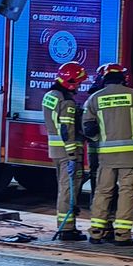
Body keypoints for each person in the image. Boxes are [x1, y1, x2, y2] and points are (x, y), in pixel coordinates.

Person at [82, 62, 133, 246]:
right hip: (130, 157)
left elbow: (88, 129)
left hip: (106, 157)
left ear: (104, 79)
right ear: (124, 78)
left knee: (102, 192)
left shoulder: (94, 99)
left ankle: (97, 232)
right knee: (126, 194)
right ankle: (122, 235)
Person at [43, 63, 88, 241]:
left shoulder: (50, 95)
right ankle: (67, 229)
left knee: (63, 188)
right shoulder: (67, 101)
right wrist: (72, 155)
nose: (78, 86)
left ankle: (67, 226)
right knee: (68, 189)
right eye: (77, 82)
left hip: (55, 150)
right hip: (67, 152)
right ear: (70, 81)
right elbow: (66, 129)